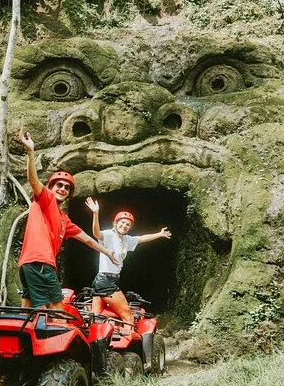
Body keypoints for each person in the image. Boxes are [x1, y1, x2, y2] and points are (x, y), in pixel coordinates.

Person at [17, 130, 119, 310]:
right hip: (40, 263)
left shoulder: (64, 219)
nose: (63, 189)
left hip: (31, 264)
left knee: (28, 309)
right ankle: (50, 330)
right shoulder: (46, 199)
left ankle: (22, 329)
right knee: (56, 309)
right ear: (51, 187)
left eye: (67, 188)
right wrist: (30, 153)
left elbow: (87, 239)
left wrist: (107, 252)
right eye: (59, 185)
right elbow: (33, 181)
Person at [85, 197, 171, 325]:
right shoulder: (109, 235)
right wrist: (96, 213)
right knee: (128, 318)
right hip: (106, 281)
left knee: (96, 317)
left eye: (128, 224)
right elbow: (96, 233)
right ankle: (130, 337)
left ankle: (96, 337)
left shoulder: (126, 240)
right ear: (115, 223)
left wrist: (159, 234)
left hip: (105, 280)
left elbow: (141, 238)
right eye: (122, 222)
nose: (124, 226)